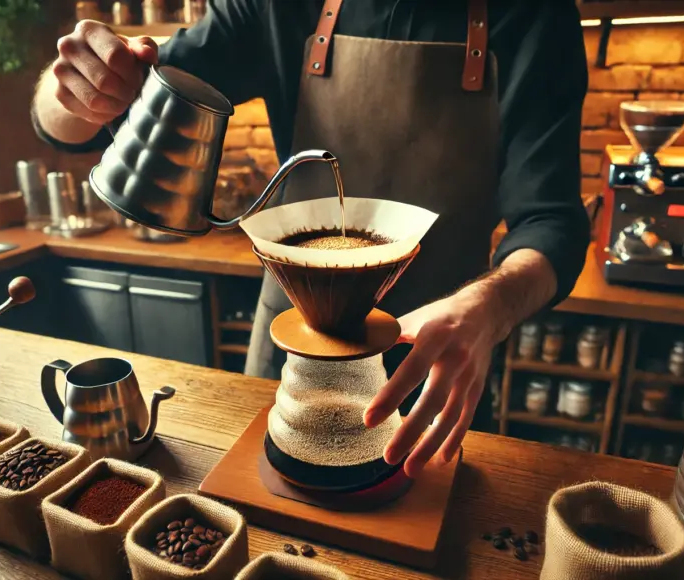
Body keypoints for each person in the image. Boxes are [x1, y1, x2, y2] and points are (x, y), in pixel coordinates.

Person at [32, 0, 590, 479]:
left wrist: (488, 305)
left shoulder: (533, 14)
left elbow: (553, 222)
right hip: (294, 337)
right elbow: (81, 119)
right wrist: (78, 90)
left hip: (440, 351)